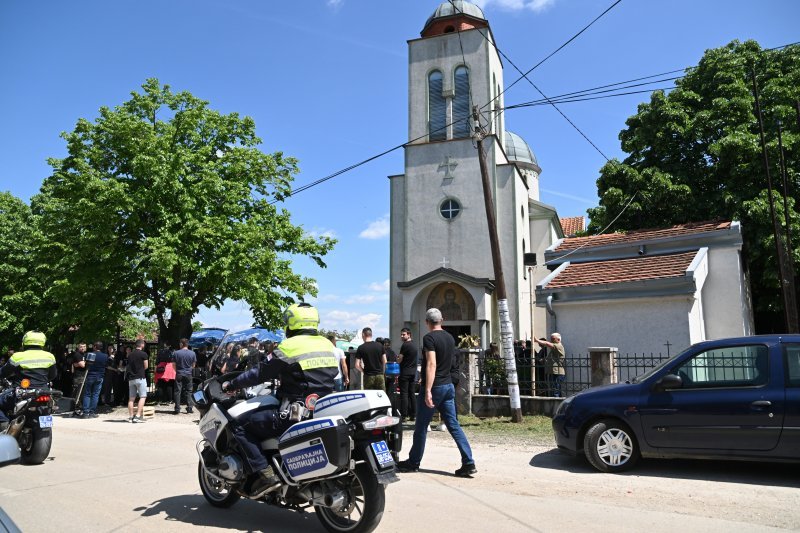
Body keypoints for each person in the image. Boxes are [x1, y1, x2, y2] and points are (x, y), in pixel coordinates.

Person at [222, 302, 338, 494]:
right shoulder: (326, 344)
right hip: (322, 409)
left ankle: (265, 474)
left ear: (292, 324)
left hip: (295, 412)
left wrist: (232, 384)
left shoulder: (290, 346)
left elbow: (260, 373)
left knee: (239, 425)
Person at [396, 308, 476, 477]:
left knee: (421, 427)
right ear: (442, 320)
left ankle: (413, 462)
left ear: (427, 322)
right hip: (448, 386)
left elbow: (431, 364)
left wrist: (427, 390)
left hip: (435, 386)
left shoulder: (429, 338)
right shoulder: (449, 338)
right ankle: (468, 462)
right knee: (454, 426)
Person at [0, 331, 57, 430]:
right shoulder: (49, 356)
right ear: (43, 342)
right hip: (42, 393)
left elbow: (3, 373)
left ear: (24, 342)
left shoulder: (17, 356)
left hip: (21, 393)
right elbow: (52, 375)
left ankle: (4, 425)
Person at [81, 341, 109, 418]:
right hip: (100, 376)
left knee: (87, 394)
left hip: (90, 375)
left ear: (94, 347)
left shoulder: (89, 354)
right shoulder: (105, 356)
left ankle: (85, 412)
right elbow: (106, 365)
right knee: (95, 394)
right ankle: (92, 412)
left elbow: (84, 365)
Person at [535, 332, 566, 397]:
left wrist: (537, 340)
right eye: (551, 339)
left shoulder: (559, 346)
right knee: (554, 390)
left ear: (558, 339)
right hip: (553, 372)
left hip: (557, 372)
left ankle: (556, 405)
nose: (551, 340)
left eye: (553, 339)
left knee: (555, 391)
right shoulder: (554, 349)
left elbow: (546, 343)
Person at [397, 327, 418, 421]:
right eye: (401, 334)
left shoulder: (405, 345)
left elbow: (400, 359)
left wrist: (397, 359)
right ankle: (414, 414)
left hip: (405, 372)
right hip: (413, 373)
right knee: (412, 394)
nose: (402, 336)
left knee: (404, 394)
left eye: (403, 334)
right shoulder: (414, 345)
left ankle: (404, 415)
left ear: (409, 335)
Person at [126, 339, 149, 423]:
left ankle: (131, 416)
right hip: (140, 377)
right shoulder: (144, 354)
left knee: (131, 398)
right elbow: (146, 366)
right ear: (142, 345)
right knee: (143, 396)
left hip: (131, 378)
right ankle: (138, 416)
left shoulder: (130, 354)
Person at [171, 338, 196, 414]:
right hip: (188, 374)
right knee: (189, 391)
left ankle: (177, 409)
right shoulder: (192, 353)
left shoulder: (176, 353)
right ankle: (189, 408)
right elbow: (193, 365)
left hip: (179, 373)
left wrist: (177, 371)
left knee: (177, 391)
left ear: (181, 344)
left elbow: (173, 365)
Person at [69, 342, 88, 417]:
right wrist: (88, 362)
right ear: (78, 347)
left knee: (82, 393)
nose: (83, 348)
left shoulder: (85, 355)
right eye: (81, 347)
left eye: (84, 346)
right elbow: (83, 365)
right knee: (78, 392)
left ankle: (80, 408)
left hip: (84, 375)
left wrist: (83, 363)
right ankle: (76, 408)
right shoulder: (77, 354)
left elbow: (82, 364)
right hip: (78, 376)